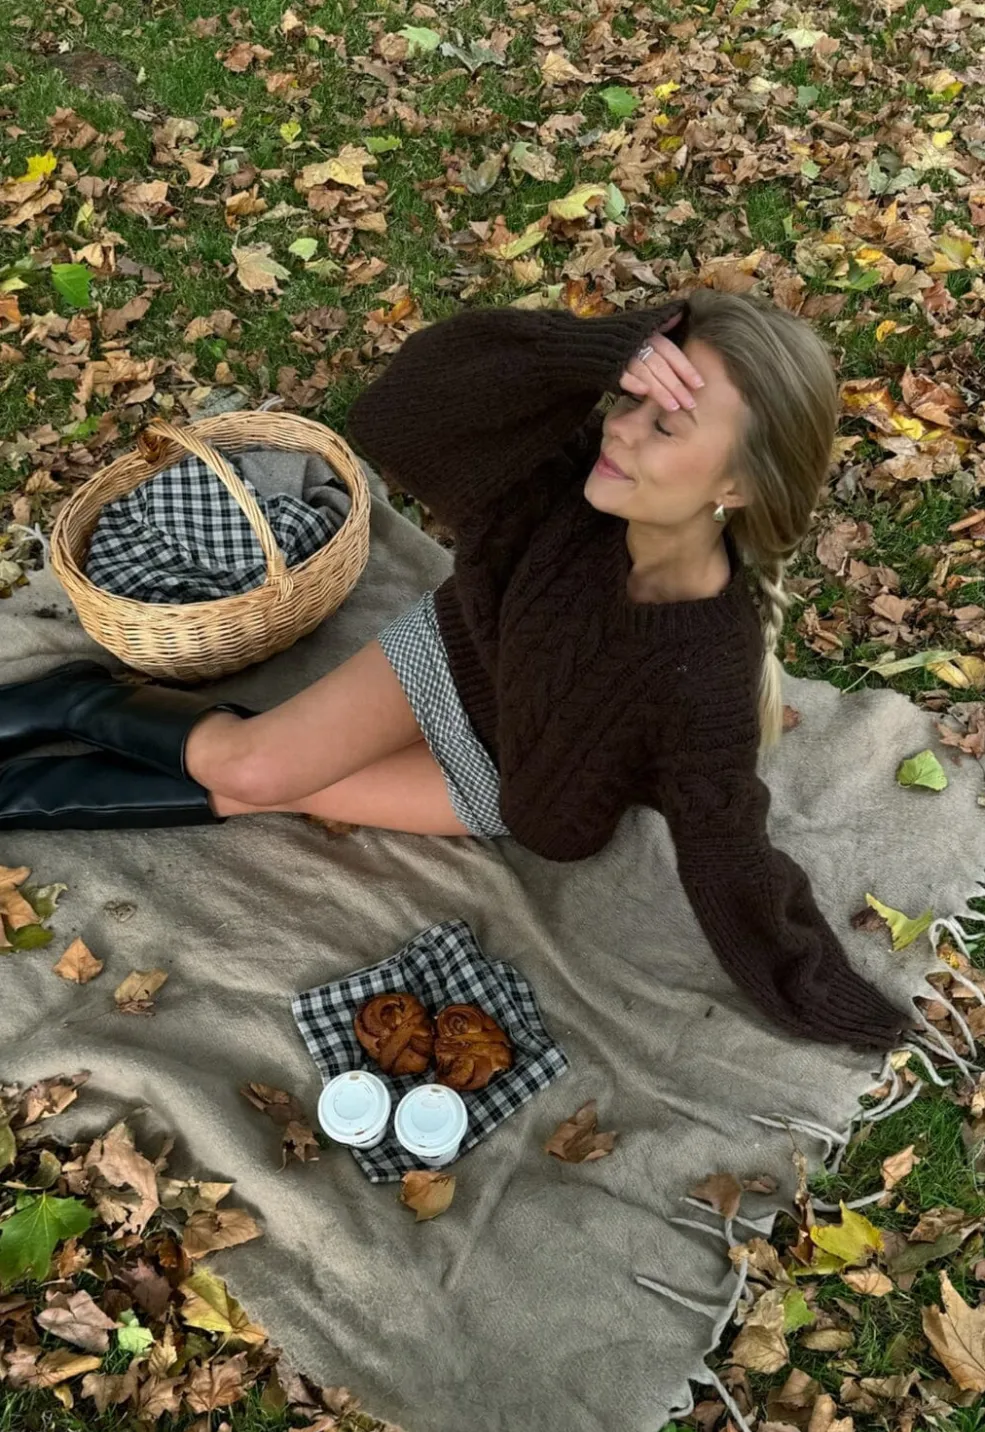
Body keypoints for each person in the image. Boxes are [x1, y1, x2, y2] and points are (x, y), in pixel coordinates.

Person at [0, 290, 906, 1050]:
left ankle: (27, 776)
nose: (620, 432)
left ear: (735, 487)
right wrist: (590, 352)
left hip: (495, 777)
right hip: (451, 655)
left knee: (257, 793)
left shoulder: (702, 670)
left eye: (663, 425)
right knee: (253, 767)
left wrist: (821, 992)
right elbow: (394, 415)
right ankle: (77, 700)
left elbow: (729, 853)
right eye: (627, 402)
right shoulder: (561, 486)